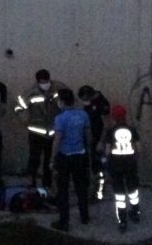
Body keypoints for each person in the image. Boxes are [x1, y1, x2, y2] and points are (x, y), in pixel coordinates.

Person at [14, 69, 68, 189]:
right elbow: (18, 107)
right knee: (34, 158)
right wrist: (24, 119)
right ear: (38, 81)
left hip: (53, 131)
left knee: (50, 159)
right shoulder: (30, 92)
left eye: (47, 81)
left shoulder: (59, 88)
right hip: (36, 131)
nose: (45, 83)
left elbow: (68, 101)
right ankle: (32, 182)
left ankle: (47, 183)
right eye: (42, 82)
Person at [49, 88, 91, 232]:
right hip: (80, 155)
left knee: (63, 190)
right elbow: (87, 135)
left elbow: (57, 140)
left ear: (61, 101)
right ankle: (84, 216)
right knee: (81, 187)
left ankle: (64, 221)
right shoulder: (83, 115)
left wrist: (52, 159)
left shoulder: (60, 118)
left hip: (64, 157)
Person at [104, 104, 142, 232]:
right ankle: (135, 213)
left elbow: (108, 150)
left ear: (114, 117)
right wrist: (134, 157)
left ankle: (123, 221)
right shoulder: (132, 130)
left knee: (119, 193)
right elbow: (139, 148)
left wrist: (107, 160)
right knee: (133, 189)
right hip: (130, 164)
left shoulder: (110, 131)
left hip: (116, 165)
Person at [77, 85, 111, 201]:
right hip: (90, 138)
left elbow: (106, 125)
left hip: (98, 139)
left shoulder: (102, 104)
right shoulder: (90, 104)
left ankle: (98, 192)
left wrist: (101, 141)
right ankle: (91, 189)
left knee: (98, 167)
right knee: (90, 166)